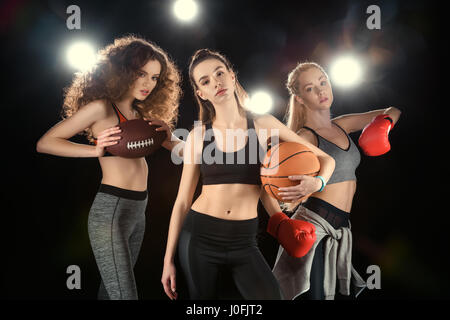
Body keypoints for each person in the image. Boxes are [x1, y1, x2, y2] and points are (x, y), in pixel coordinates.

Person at [161, 49, 336, 300]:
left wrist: (317, 182)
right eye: (206, 81)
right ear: (202, 93)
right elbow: (182, 202)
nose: (216, 82)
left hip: (244, 240)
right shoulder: (199, 135)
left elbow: (325, 159)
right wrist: (168, 261)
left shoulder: (263, 124)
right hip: (200, 236)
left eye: (220, 73)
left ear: (232, 76)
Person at [36, 35, 184, 300]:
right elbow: (46, 143)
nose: (148, 83)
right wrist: (94, 150)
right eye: (142, 73)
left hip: (139, 210)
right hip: (111, 211)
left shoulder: (141, 115)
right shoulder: (101, 108)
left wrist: (170, 137)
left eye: (154, 77)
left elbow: (188, 154)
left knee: (110, 292)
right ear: (124, 70)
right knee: (124, 295)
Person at [272, 62, 401, 300]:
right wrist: (311, 185)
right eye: (310, 88)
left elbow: (393, 110)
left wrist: (384, 124)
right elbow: (278, 177)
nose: (321, 91)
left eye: (323, 82)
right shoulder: (303, 137)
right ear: (299, 98)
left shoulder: (343, 124)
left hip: (341, 228)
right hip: (313, 228)